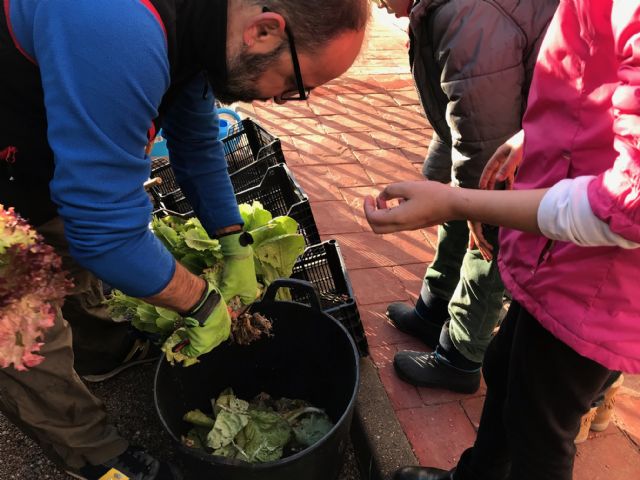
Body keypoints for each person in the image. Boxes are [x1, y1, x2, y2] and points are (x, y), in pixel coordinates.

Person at [0, 0, 369, 478]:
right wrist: (201, 302)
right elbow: (105, 233)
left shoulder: (206, 23)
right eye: (294, 85)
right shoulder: (118, 24)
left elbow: (193, 137)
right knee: (21, 320)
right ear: (264, 31)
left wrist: (233, 240)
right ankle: (93, 453)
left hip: (33, 146)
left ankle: (100, 351)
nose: (282, 99)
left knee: (68, 236)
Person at [364, 0, 640, 478]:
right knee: (507, 373)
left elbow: (628, 206)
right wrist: (533, 135)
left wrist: (460, 203)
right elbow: (596, 82)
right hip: (562, 259)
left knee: (541, 432)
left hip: (598, 284)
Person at [374, 0, 558, 393]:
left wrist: (472, 208)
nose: (379, 6)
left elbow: (485, 148)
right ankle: (434, 307)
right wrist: (436, 182)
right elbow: (460, 115)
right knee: (457, 201)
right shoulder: (443, 9)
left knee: (489, 238)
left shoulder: (464, 15)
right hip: (500, 134)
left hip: (521, 153)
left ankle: (459, 356)